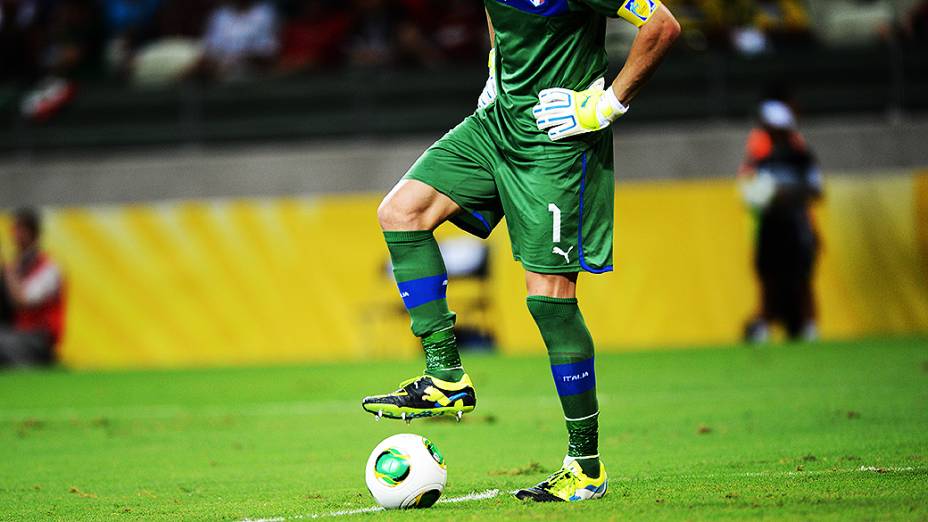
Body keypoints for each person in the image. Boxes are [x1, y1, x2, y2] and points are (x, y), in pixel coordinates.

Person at [361, 0, 680, 503]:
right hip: (497, 126)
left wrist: (605, 104)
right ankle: (445, 375)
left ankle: (585, 466)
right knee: (401, 212)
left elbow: (662, 26)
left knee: (548, 301)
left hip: (556, 141)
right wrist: (496, 68)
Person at [739, 99, 822, 343]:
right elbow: (749, 192)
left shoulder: (802, 158)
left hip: (796, 225)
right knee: (768, 278)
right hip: (770, 226)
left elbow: (816, 190)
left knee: (801, 278)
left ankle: (808, 327)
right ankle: (764, 325)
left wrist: (787, 194)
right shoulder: (762, 160)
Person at [0, 208, 65, 367]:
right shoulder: (17, 266)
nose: (14, 236)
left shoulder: (49, 269)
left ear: (32, 233)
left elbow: (21, 300)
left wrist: (6, 270)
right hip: (14, 335)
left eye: (19, 230)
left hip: (38, 339)